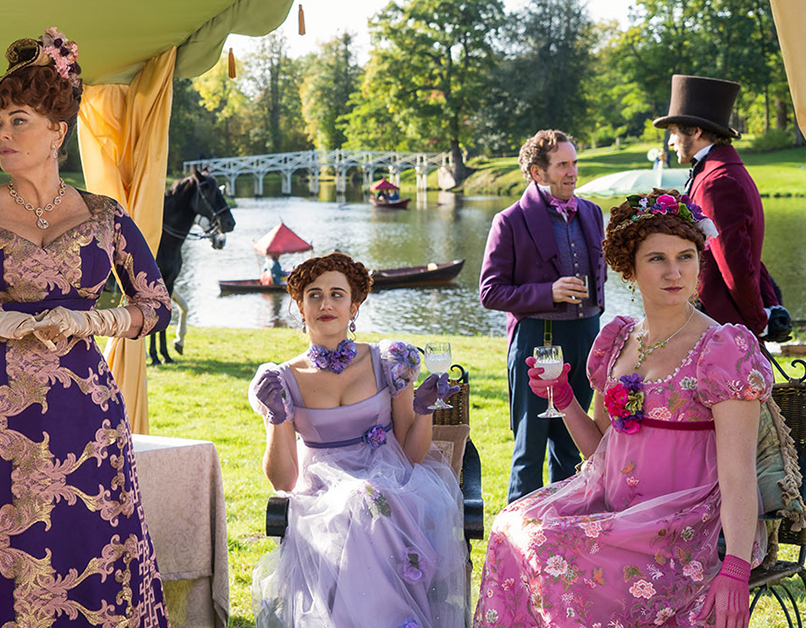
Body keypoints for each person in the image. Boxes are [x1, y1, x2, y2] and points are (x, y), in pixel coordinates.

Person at [0, 28, 172, 627]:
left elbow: (156, 305)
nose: (2, 135)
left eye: (17, 121)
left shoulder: (105, 216)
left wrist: (94, 318)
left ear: (58, 130)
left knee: (88, 550)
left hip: (87, 416)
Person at [474, 191, 771, 628]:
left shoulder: (722, 348)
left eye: (686, 256)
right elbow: (598, 450)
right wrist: (563, 399)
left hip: (679, 527)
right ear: (629, 270)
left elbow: (739, 474)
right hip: (610, 504)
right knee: (510, 526)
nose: (675, 272)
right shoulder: (617, 340)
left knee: (552, 553)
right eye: (657, 259)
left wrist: (735, 569)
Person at [249, 251, 466, 627]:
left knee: (366, 499)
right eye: (314, 295)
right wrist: (276, 417)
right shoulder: (282, 379)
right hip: (321, 493)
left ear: (355, 305)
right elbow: (283, 481)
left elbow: (412, 456)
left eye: (337, 294)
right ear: (299, 307)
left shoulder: (388, 361)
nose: (325, 303)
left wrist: (425, 410)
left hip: (392, 483)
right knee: (355, 503)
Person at [479, 129, 606, 504]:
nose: (572, 172)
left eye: (574, 163)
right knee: (529, 448)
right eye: (562, 165)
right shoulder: (510, 220)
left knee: (573, 446)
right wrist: (547, 293)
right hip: (539, 338)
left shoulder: (592, 212)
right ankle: (517, 542)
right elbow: (490, 291)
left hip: (587, 337)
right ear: (538, 172)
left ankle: (563, 535)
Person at [655, 74, 789, 342]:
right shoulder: (719, 172)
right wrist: (768, 307)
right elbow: (745, 255)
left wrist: (757, 321)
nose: (670, 143)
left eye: (673, 132)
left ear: (695, 131)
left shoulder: (717, 182)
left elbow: (735, 264)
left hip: (723, 328)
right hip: (724, 323)